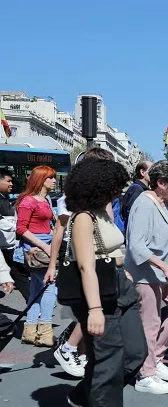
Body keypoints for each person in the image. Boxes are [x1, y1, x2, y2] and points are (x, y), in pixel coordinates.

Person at [62, 158, 148, 407]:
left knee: (136, 352)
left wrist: (123, 270)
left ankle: (88, 394)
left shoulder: (103, 213)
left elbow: (112, 249)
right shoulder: (83, 217)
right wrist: (95, 310)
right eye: (114, 186)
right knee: (108, 360)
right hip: (98, 292)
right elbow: (86, 265)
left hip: (118, 285)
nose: (119, 191)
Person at [48, 146, 118, 378]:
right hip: (83, 260)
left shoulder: (102, 197)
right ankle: (68, 348)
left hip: (102, 262)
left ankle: (81, 353)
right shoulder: (76, 199)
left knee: (93, 312)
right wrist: (52, 265)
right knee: (91, 310)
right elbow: (60, 230)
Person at [125, 161, 168, 395]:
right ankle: (145, 374)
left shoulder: (164, 203)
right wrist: (163, 265)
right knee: (150, 323)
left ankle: (155, 357)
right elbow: (136, 245)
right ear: (160, 183)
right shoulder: (144, 204)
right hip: (148, 274)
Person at [15, 165, 58, 347]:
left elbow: (52, 222)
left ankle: (30, 330)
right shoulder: (28, 201)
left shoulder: (45, 199)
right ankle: (45, 333)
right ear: (41, 180)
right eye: (51, 177)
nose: (54, 180)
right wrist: (44, 246)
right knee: (50, 287)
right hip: (36, 247)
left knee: (36, 289)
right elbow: (21, 228)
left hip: (45, 244)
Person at [0, 168, 30, 299]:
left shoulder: (5, 199)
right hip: (3, 247)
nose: (11, 184)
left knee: (19, 273)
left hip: (9, 247)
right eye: (8, 181)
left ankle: (34, 304)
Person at [120, 160, 151, 227]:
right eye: (152, 170)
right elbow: (132, 213)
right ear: (142, 172)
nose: (155, 173)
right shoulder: (137, 189)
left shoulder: (142, 189)